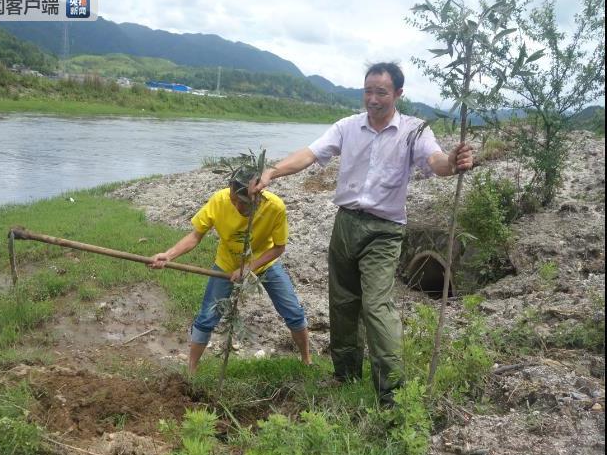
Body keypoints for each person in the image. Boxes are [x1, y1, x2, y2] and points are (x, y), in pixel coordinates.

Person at [251, 62, 473, 402]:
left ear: (398, 94)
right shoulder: (347, 127)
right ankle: (345, 373)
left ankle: (391, 392)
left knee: (376, 305)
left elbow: (436, 162)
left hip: (384, 230)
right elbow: (310, 154)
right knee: (342, 302)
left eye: (381, 92)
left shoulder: (414, 130)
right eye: (368, 90)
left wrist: (454, 161)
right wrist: (272, 172)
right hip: (345, 223)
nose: (372, 98)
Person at [150, 170, 312, 374]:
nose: (237, 206)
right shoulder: (220, 200)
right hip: (227, 264)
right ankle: (191, 370)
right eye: (234, 200)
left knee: (293, 312)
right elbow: (195, 236)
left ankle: (307, 361)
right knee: (207, 317)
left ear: (258, 195)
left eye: (244, 202)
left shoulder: (275, 207)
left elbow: (279, 247)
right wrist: (169, 255)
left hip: (263, 264)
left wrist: (248, 268)